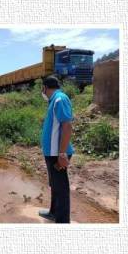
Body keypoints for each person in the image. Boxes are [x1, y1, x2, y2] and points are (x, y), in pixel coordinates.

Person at [38, 75, 74, 223]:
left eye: (42, 89)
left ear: (45, 87)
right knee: (55, 185)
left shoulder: (60, 99)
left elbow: (67, 126)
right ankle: (54, 212)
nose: (43, 92)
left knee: (61, 188)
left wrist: (62, 153)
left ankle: (63, 221)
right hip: (51, 152)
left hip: (57, 153)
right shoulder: (54, 101)